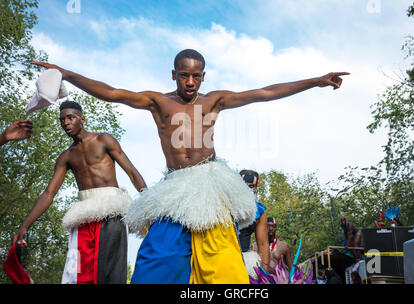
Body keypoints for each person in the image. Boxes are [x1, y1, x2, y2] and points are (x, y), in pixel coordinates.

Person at [32, 49, 349, 284]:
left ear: (204, 76)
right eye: (184, 74)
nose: (190, 81)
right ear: (174, 74)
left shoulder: (213, 101)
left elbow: (264, 93)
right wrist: (67, 74)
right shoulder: (158, 102)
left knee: (222, 262)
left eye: (196, 75)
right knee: (158, 259)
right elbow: (113, 93)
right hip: (175, 188)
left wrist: (315, 81)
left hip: (210, 185)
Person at [12, 101, 147, 284]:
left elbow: (132, 172)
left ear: (82, 119)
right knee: (77, 273)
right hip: (84, 217)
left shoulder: (103, 140)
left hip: (112, 212)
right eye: (62, 120)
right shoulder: (66, 156)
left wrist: (149, 205)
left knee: (111, 274)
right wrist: (25, 225)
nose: (66, 123)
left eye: (70, 118)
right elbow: (48, 194)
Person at [238, 170, 271, 277]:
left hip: (244, 260)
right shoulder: (224, 204)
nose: (247, 189)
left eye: (251, 186)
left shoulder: (259, 212)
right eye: (243, 185)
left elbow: (263, 244)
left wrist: (264, 275)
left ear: (256, 188)